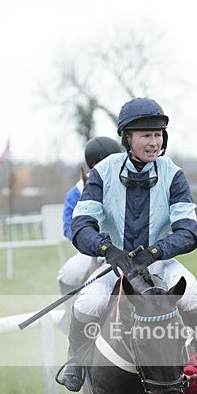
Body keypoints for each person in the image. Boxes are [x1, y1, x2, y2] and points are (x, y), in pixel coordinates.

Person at [57, 97, 197, 392]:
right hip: (114, 267)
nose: (154, 142)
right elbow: (80, 226)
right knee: (88, 303)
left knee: (194, 296)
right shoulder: (103, 172)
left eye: (158, 135)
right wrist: (108, 250)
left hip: (161, 264)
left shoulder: (174, 174)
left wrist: (156, 251)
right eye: (146, 135)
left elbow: (189, 232)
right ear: (127, 138)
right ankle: (75, 360)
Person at [57, 136, 121, 333]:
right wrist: (92, 241)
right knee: (70, 272)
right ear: (92, 167)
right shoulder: (76, 193)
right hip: (93, 248)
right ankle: (69, 313)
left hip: (126, 244)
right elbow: (70, 226)